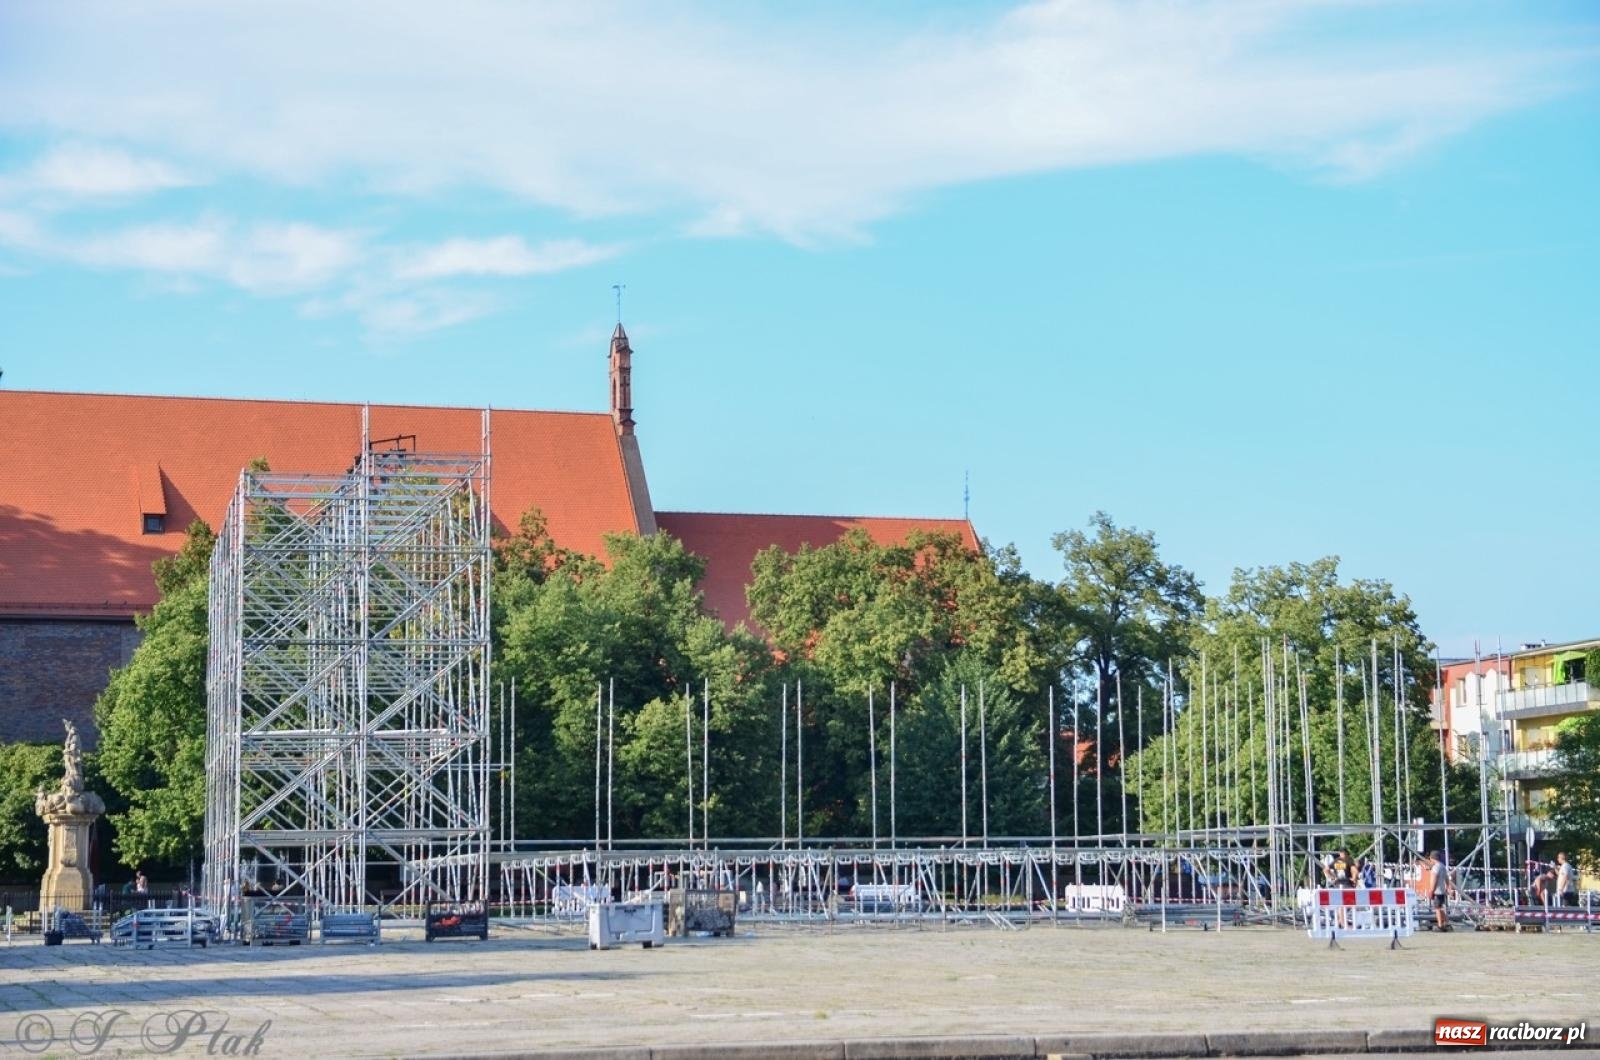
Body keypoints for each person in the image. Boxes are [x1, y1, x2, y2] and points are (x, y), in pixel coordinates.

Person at [1428, 850, 1453, 932]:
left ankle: (1440, 925)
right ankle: (1447, 922)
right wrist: (1448, 888)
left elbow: (1434, 879)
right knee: (1440, 908)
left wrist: (1431, 890)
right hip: (1442, 890)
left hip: (1437, 891)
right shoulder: (1442, 866)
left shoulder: (1435, 868)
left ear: (1431, 858)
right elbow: (1446, 879)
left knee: (1437, 908)